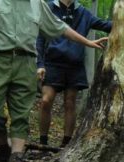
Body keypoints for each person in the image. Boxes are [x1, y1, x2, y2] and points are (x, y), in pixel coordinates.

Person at [0, 0, 108, 162]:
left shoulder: (38, 3)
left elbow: (60, 27)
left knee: (21, 114)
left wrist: (87, 42)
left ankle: (16, 159)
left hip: (26, 63)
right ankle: (4, 150)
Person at [36, 0, 112, 147]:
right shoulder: (49, 8)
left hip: (74, 64)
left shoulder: (83, 12)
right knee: (46, 100)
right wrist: (40, 63)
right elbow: (39, 39)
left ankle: (66, 143)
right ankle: (42, 142)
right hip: (52, 62)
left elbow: (106, 25)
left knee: (70, 102)